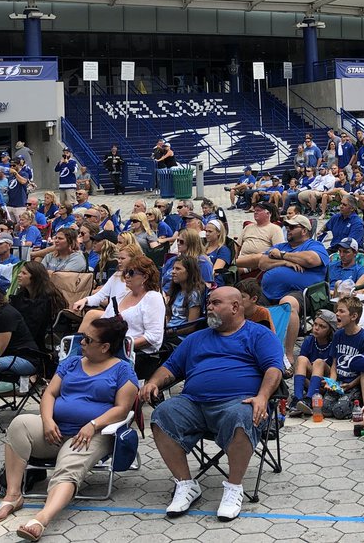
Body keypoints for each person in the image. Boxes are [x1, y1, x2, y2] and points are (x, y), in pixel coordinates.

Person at [0, 316, 139, 540]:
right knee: (19, 424)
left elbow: (122, 408)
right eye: (82, 338)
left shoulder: (123, 371)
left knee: (68, 467)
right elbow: (49, 393)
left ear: (105, 347)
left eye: (88, 340)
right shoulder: (71, 363)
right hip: (56, 431)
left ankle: (41, 519)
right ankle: (13, 495)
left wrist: (93, 424)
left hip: (91, 434)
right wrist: (47, 420)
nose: (81, 344)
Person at [142, 286, 283, 521]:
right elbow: (170, 367)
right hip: (193, 404)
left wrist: (262, 396)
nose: (209, 307)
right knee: (163, 414)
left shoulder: (258, 334)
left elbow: (274, 369)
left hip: (237, 403)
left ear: (235, 307)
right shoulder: (196, 338)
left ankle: (234, 487)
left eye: (215, 303)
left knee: (242, 416)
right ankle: (186, 484)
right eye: (208, 303)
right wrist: (153, 382)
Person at [237, 212, 327, 360]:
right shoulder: (280, 246)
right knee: (245, 300)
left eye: (292, 227)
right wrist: (284, 262)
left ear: (304, 230)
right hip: (268, 291)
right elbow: (263, 263)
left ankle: (288, 353)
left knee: (288, 303)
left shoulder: (314, 245)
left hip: (301, 293)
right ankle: (244, 346)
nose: (288, 229)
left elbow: (310, 260)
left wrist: (282, 255)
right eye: (286, 226)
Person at [288, 309, 336, 416]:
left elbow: (335, 367)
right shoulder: (309, 340)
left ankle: (309, 399)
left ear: (330, 330)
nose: (316, 328)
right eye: (315, 324)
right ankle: (298, 399)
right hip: (311, 382)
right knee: (301, 359)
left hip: (326, 384)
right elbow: (302, 366)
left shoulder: (333, 343)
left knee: (318, 362)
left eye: (322, 326)